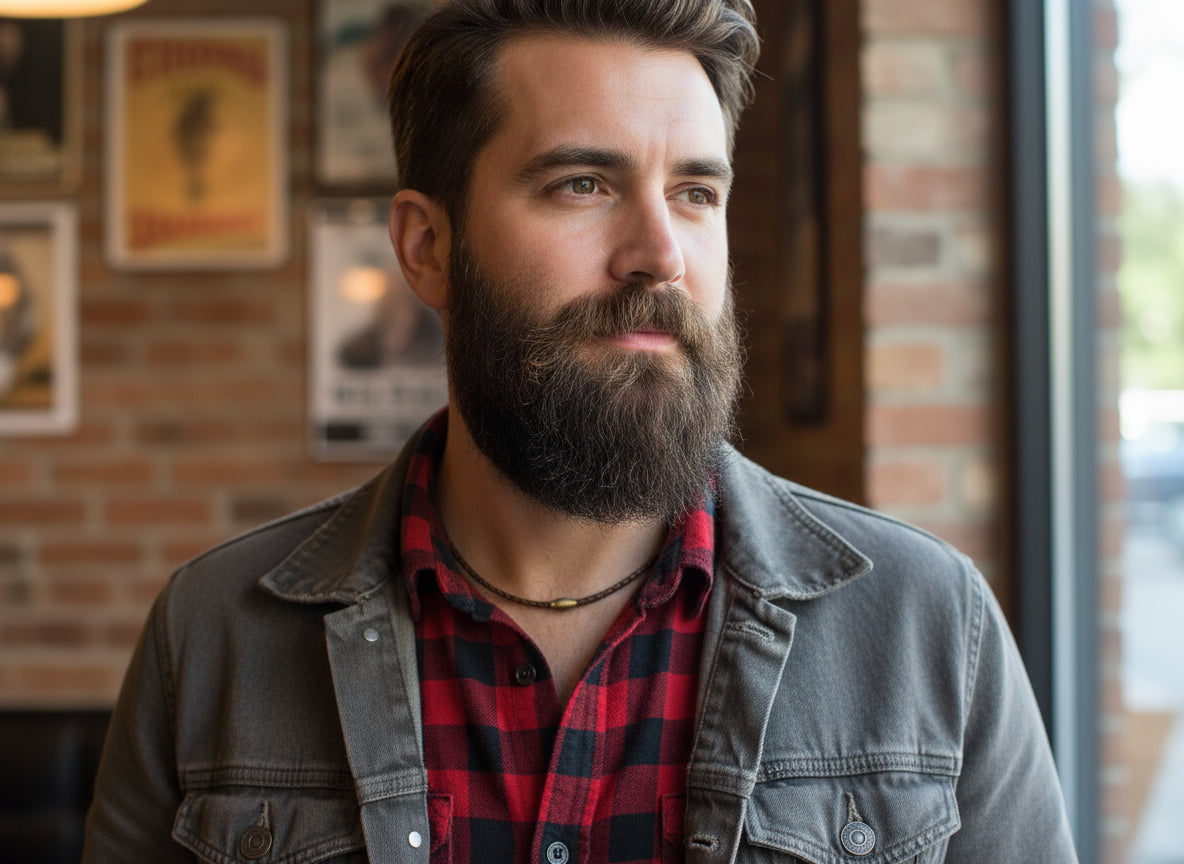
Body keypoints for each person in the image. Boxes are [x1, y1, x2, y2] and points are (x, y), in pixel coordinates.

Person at [83, 1, 1079, 861]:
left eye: (695, 193)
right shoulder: (215, 635)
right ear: (426, 247)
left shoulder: (925, 628)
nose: (660, 254)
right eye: (583, 184)